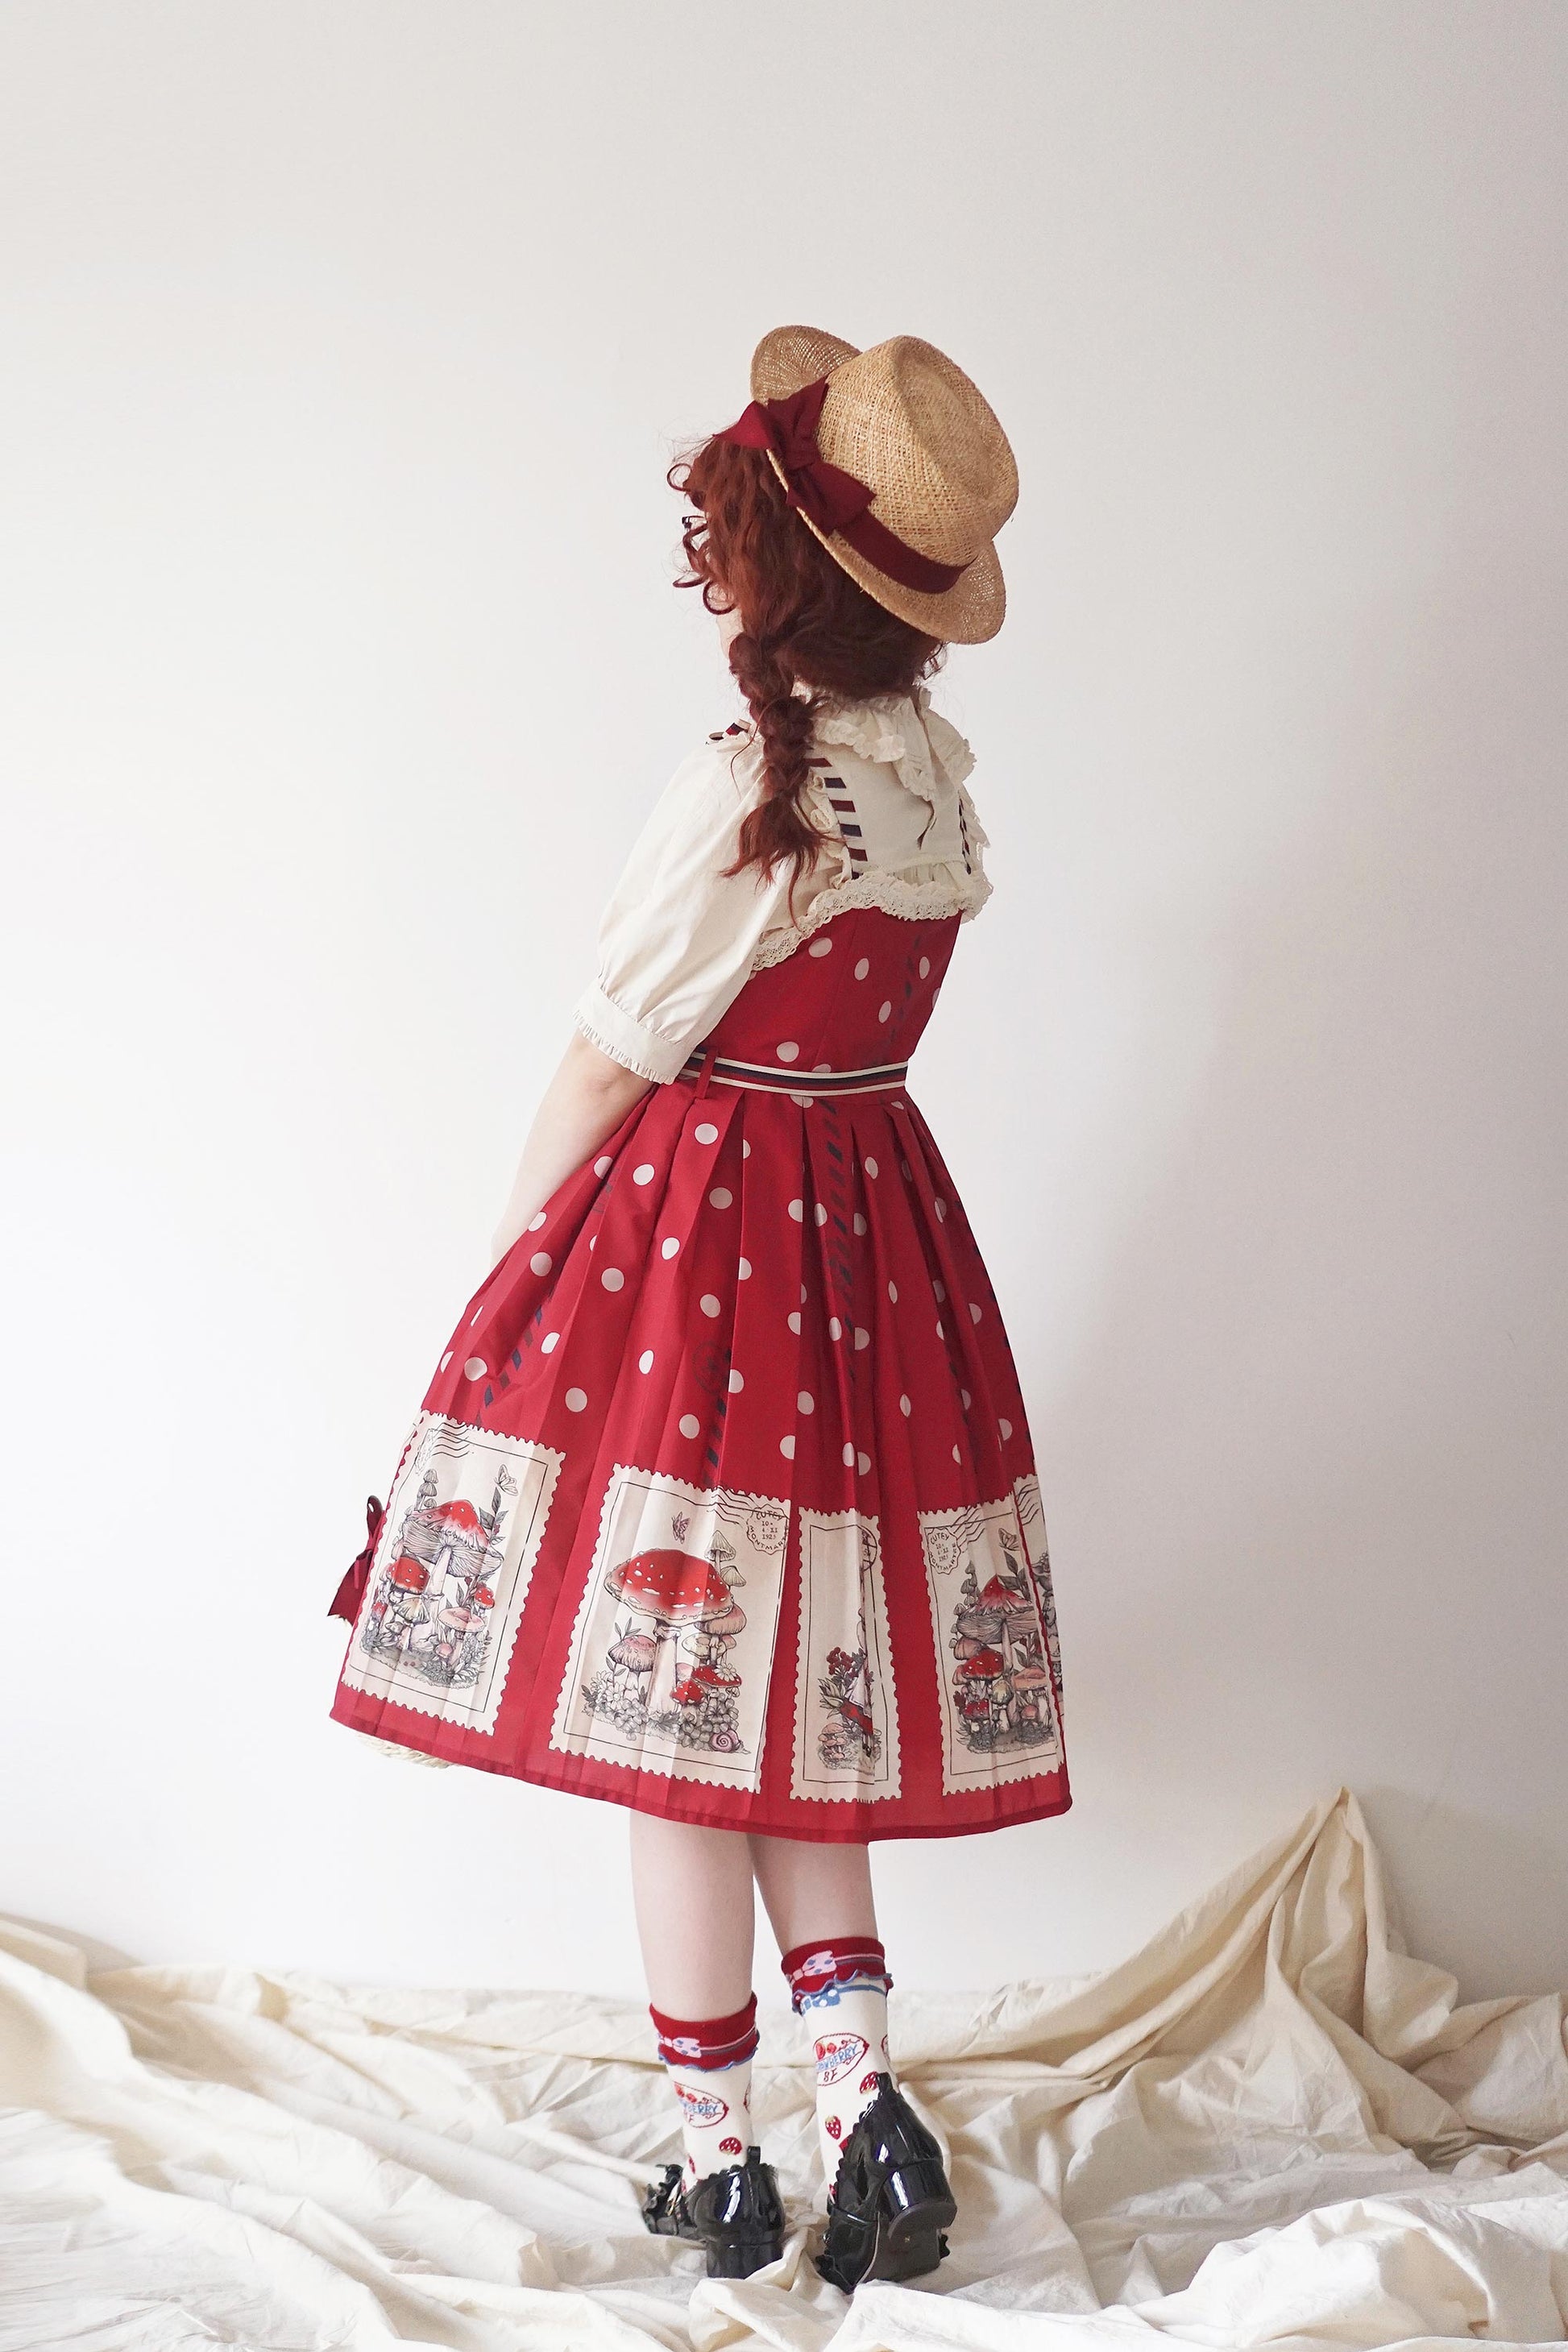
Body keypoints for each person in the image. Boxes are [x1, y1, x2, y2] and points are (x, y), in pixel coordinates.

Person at [328, 325, 1071, 2292]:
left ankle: (721, 2160)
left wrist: (510, 1267)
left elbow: (610, 1053)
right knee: (794, 1714)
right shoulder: (931, 782)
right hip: (870, 1251)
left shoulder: (757, 781)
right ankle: (868, 2111)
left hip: (705, 1260)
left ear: (778, 572)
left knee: (677, 1724)